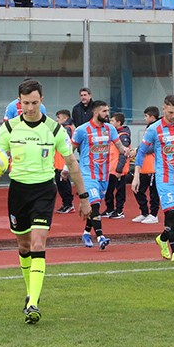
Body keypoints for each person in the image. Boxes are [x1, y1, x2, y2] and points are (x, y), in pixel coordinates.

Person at [0, 79, 91, 324]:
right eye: (25, 103)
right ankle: (30, 292)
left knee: (38, 243)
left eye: (34, 103)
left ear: (42, 101)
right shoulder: (8, 128)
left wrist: (83, 197)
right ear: (19, 102)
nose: (30, 108)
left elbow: (72, 163)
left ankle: (33, 304)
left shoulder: (55, 129)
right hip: (18, 191)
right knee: (24, 246)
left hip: (44, 190)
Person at [133, 95, 174, 262]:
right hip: (164, 178)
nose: (173, 116)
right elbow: (141, 152)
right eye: (170, 112)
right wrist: (136, 175)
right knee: (170, 213)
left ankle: (163, 238)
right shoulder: (154, 129)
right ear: (164, 108)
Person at [72, 100, 131, 250]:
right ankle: (100, 237)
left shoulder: (110, 129)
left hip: (104, 175)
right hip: (88, 174)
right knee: (95, 204)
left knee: (95, 206)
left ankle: (86, 233)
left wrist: (126, 151)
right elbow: (70, 150)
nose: (107, 114)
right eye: (104, 111)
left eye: (107, 111)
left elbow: (119, 146)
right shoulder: (82, 130)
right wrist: (67, 167)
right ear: (95, 112)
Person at [132, 106, 161, 224]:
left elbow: (153, 147)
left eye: (146, 116)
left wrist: (138, 150)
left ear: (152, 117)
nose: (144, 119)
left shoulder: (157, 128)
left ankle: (154, 214)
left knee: (154, 192)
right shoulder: (149, 128)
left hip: (154, 166)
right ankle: (144, 212)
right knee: (138, 189)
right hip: (144, 165)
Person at [103, 112, 130, 219]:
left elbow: (123, 153)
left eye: (112, 121)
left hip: (118, 169)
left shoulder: (123, 136)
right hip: (110, 168)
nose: (110, 122)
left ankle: (119, 210)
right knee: (108, 190)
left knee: (120, 191)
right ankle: (109, 209)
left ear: (118, 122)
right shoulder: (112, 134)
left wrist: (119, 169)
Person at [53, 110, 75, 214]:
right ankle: (67, 203)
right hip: (59, 161)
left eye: (59, 118)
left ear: (65, 118)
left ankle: (68, 204)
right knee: (61, 183)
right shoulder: (66, 128)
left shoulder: (66, 129)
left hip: (62, 162)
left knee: (63, 184)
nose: (57, 120)